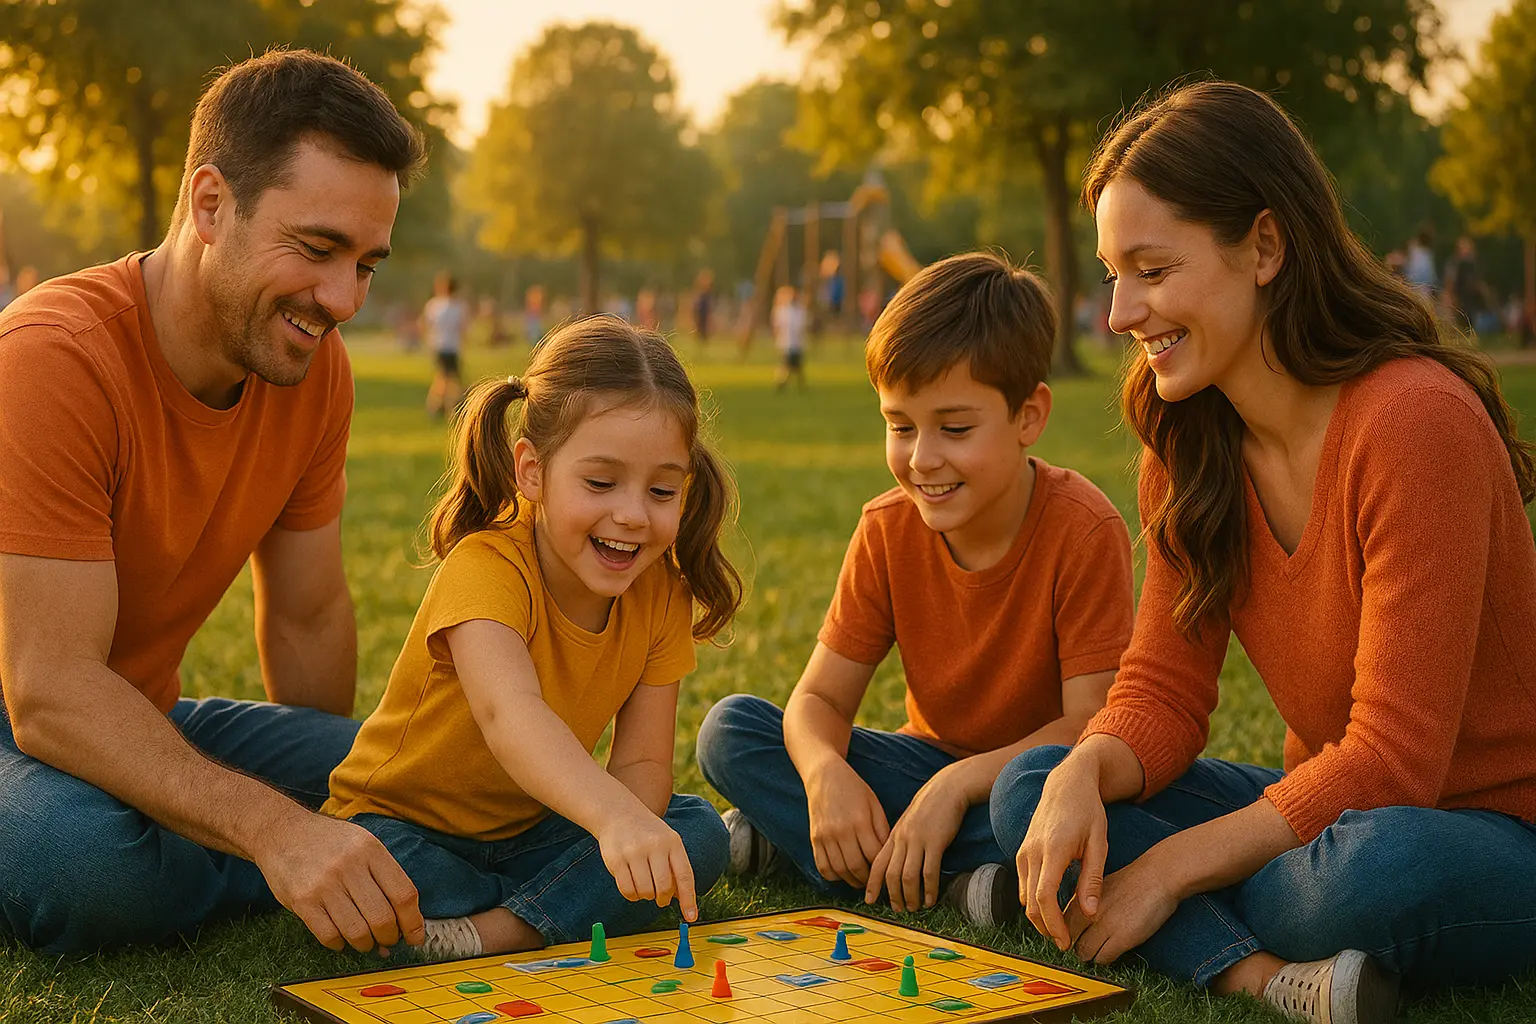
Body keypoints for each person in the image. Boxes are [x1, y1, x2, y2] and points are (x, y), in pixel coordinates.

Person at [992, 81, 1536, 1024]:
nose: (1120, 313)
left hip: (1484, 834)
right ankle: (1263, 975)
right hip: (1323, 811)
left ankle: (1201, 925)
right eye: (1113, 274)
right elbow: (1161, 695)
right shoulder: (1189, 445)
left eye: (1152, 271)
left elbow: (1393, 765)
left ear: (1265, 248)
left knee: (1348, 881)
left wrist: (1165, 868)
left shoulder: (1413, 424)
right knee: (1033, 793)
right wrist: (1084, 770)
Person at [0, 49, 429, 956]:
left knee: (416, 775)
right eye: (317, 250)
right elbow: (46, 693)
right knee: (84, 865)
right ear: (208, 204)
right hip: (22, 734)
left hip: (144, 724)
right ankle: (240, 857)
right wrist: (282, 832)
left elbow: (308, 617)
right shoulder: (51, 358)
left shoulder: (308, 364)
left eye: (367, 265)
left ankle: (232, 851)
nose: (343, 299)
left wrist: (349, 805)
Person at [697, 253, 1135, 930]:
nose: (922, 457)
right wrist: (822, 777)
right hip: (917, 766)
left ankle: (841, 858)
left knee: (1057, 807)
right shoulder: (887, 528)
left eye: (954, 429)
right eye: (900, 426)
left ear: (1029, 416)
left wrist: (955, 788)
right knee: (730, 730)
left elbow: (1088, 726)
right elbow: (816, 700)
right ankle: (955, 881)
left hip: (1027, 783)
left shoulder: (1084, 528)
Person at [323, 316, 742, 959]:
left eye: (661, 490)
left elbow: (642, 763)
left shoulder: (663, 592)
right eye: (600, 483)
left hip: (536, 830)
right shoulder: (487, 565)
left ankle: (494, 930)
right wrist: (614, 825)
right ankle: (548, 908)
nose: (631, 513)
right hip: (403, 828)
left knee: (695, 831)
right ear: (532, 471)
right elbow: (508, 714)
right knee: (382, 872)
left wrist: (628, 827)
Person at [423, 270, 467, 418]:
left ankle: (438, 407)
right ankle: (447, 408)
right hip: (451, 347)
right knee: (449, 379)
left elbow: (426, 326)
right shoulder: (458, 307)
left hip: (439, 346)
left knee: (444, 378)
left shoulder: (433, 305)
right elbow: (462, 328)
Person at [771, 284, 808, 391]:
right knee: (787, 364)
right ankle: (782, 383)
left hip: (797, 343)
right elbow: (777, 326)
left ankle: (793, 384)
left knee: (797, 365)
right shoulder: (781, 311)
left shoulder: (799, 311)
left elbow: (802, 326)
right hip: (786, 343)